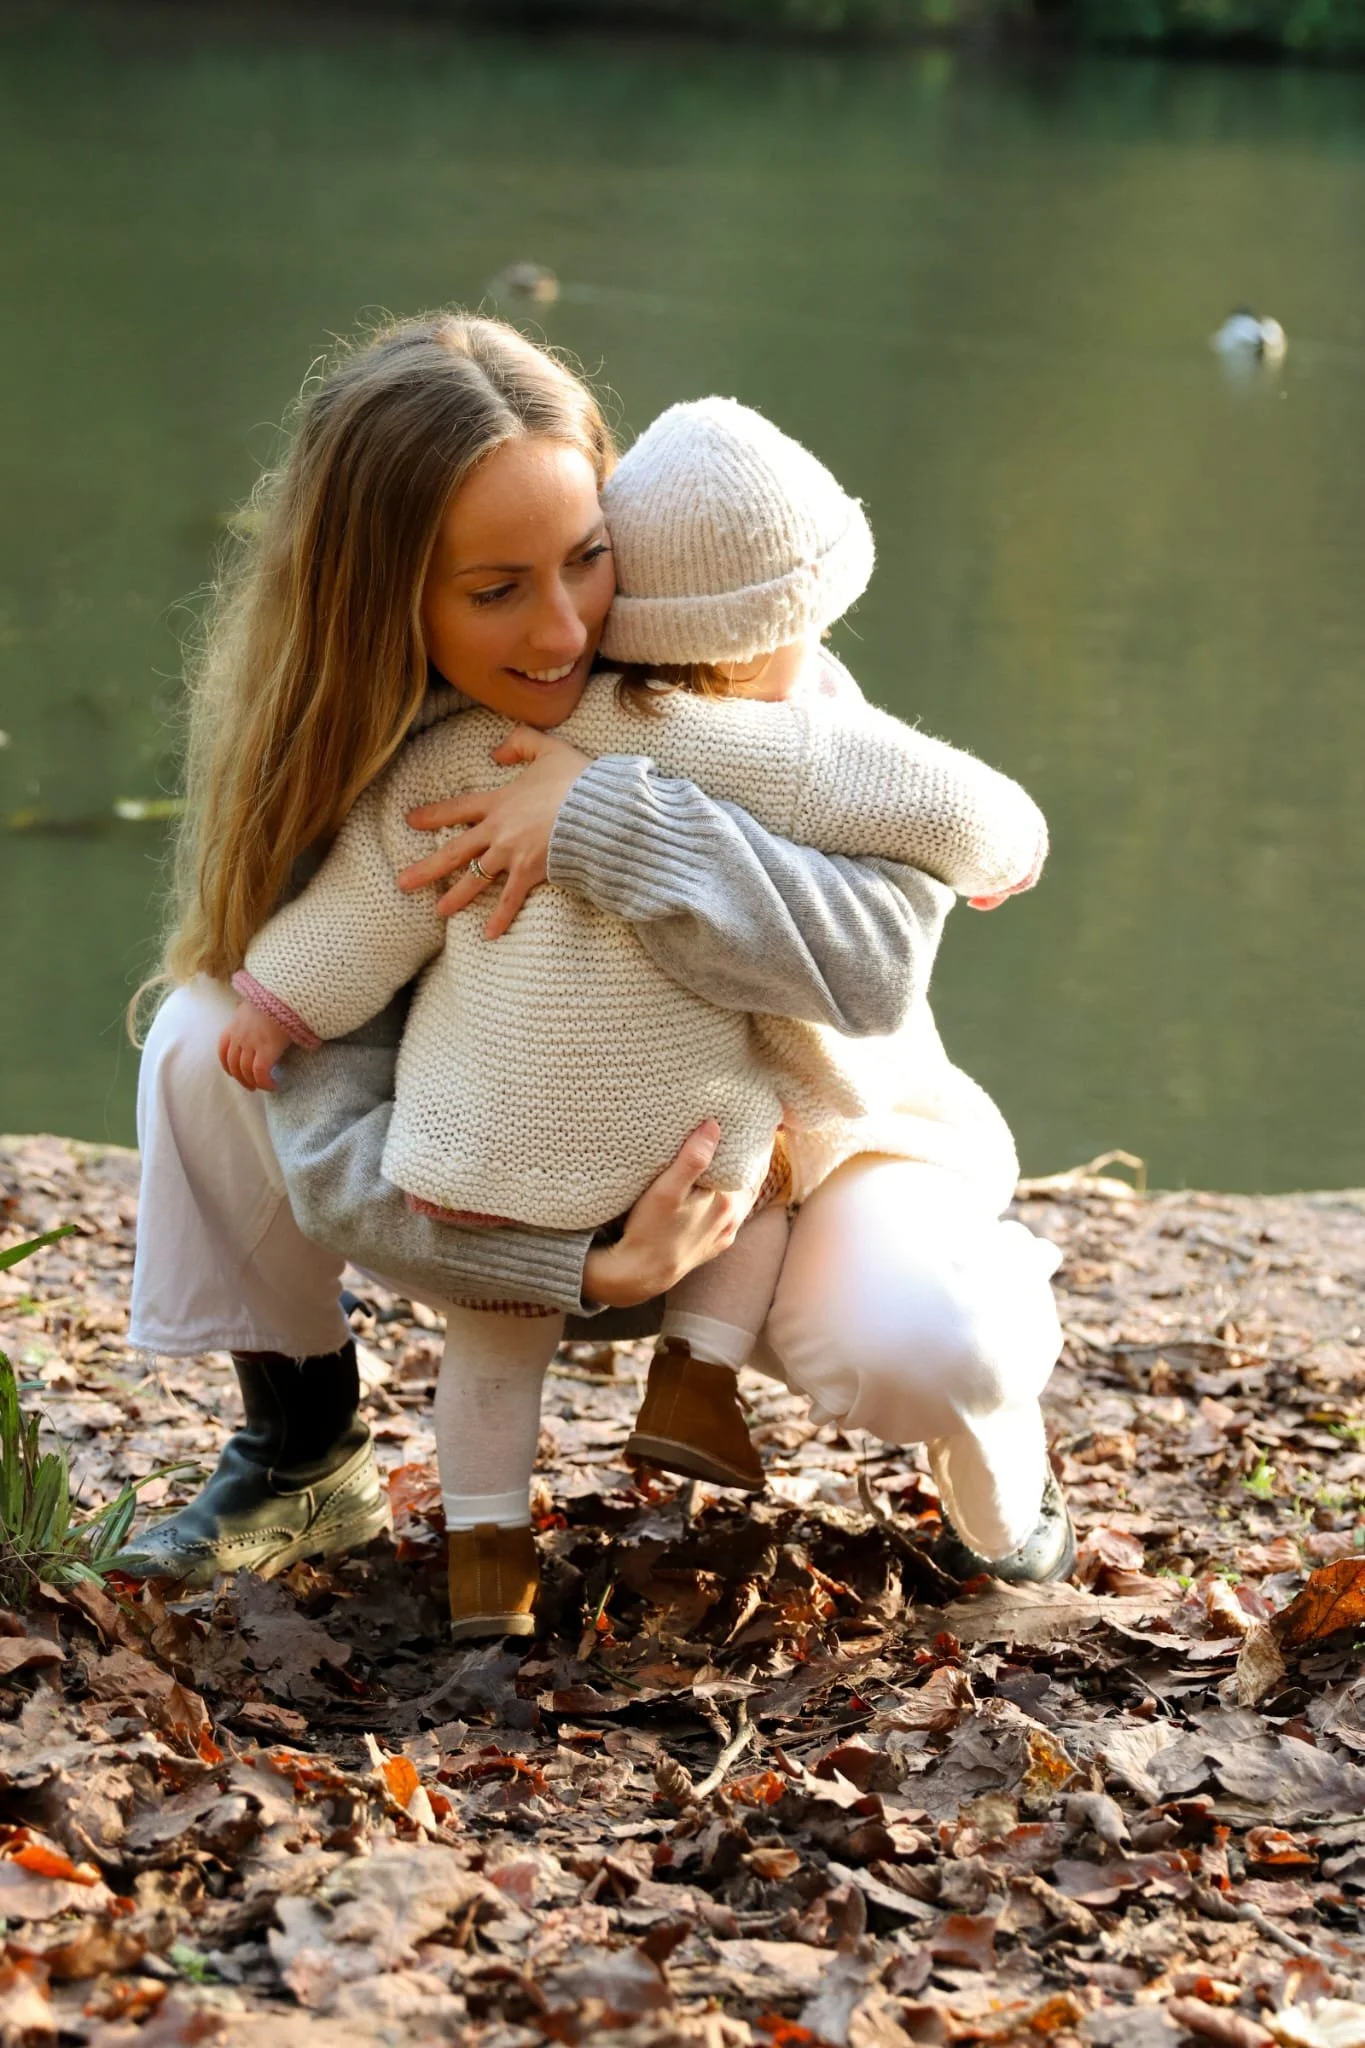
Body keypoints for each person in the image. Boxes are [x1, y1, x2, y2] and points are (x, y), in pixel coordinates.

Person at [121, 312, 1069, 1612]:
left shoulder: (735, 671)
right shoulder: (368, 754)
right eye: (496, 589)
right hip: (517, 1185)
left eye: (586, 557)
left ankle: (1003, 1486)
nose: (567, 628)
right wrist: (572, 1274)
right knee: (205, 1030)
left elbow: (880, 964)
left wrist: (607, 819)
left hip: (795, 1151)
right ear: (383, 601)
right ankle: (302, 1454)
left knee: (925, 1346)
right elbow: (328, 1127)